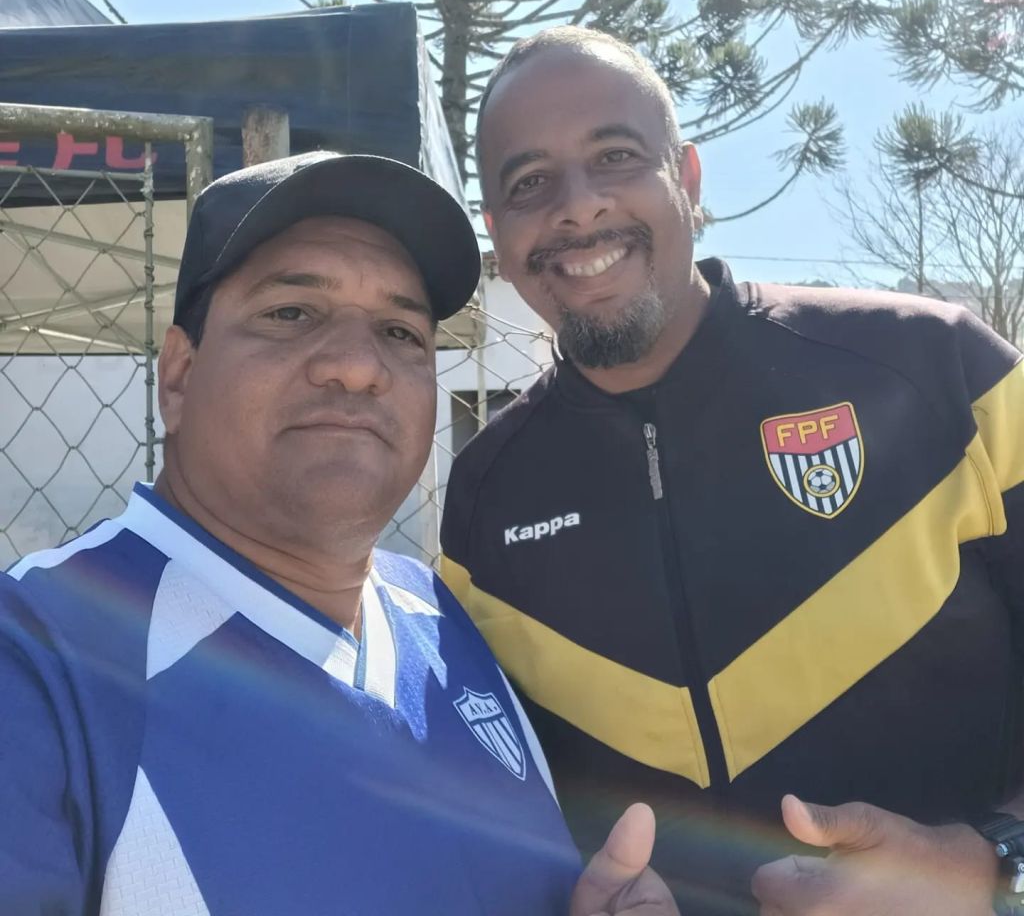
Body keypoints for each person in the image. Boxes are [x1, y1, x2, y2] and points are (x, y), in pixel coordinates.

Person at [0, 150, 680, 916]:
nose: (358, 367)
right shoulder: (34, 658)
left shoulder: (444, 617)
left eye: (400, 331)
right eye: (291, 314)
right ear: (180, 375)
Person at [439, 26, 1024, 916]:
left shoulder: (940, 369)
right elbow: (523, 808)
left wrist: (993, 864)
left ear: (689, 177)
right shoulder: (485, 502)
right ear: (497, 230)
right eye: (529, 183)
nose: (578, 208)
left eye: (616, 156)